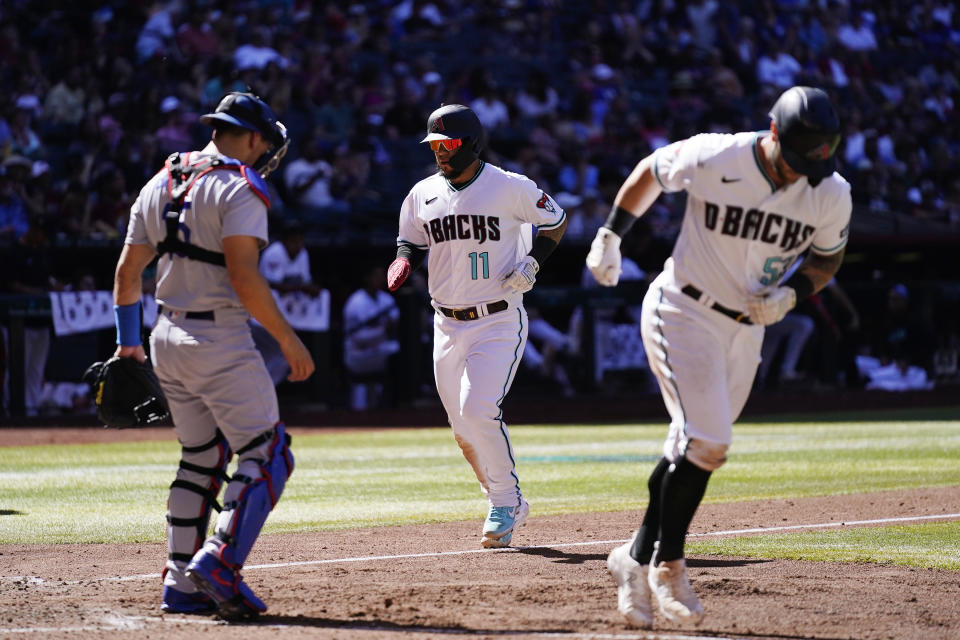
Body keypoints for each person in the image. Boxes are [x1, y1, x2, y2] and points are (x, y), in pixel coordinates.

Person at [586, 86, 851, 628]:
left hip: (747, 327)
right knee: (711, 441)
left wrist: (793, 295)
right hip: (683, 309)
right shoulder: (718, 155)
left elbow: (827, 260)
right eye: (797, 158)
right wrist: (612, 233)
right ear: (774, 134)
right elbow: (652, 171)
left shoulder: (831, 192)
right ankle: (669, 564)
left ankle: (631, 558)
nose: (803, 173)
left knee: (692, 445)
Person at [110, 91, 314, 620]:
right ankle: (220, 561)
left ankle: (180, 585)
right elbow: (245, 279)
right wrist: (289, 341)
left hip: (163, 337)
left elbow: (127, 276)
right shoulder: (239, 187)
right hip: (218, 341)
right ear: (249, 137)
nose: (265, 150)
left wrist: (127, 344)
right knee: (269, 453)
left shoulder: (161, 181)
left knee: (200, 456)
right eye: (263, 141)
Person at [387, 104, 567, 548]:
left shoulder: (509, 186)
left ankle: (505, 499)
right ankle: (501, 497)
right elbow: (409, 236)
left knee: (478, 410)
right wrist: (403, 259)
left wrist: (532, 263)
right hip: (446, 322)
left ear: (470, 143)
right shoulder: (424, 192)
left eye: (447, 144)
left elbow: (556, 221)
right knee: (462, 428)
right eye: (434, 145)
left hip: (498, 318)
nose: (440, 153)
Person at [254, 219, 321, 385]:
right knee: (278, 355)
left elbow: (304, 282)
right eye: (293, 240)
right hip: (261, 316)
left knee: (283, 358)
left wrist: (310, 288)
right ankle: (260, 391)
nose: (297, 244)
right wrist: (302, 287)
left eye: (299, 240)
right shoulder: (274, 252)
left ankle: (263, 391)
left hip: (284, 315)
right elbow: (274, 284)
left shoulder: (302, 254)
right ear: (285, 240)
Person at [343, 264, 400, 410]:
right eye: (376, 276)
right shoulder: (355, 302)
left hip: (379, 350)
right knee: (360, 402)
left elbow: (395, 323)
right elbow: (358, 339)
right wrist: (383, 330)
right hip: (359, 354)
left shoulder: (387, 300)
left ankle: (391, 408)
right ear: (367, 278)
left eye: (382, 276)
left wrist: (385, 329)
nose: (380, 279)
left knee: (398, 352)